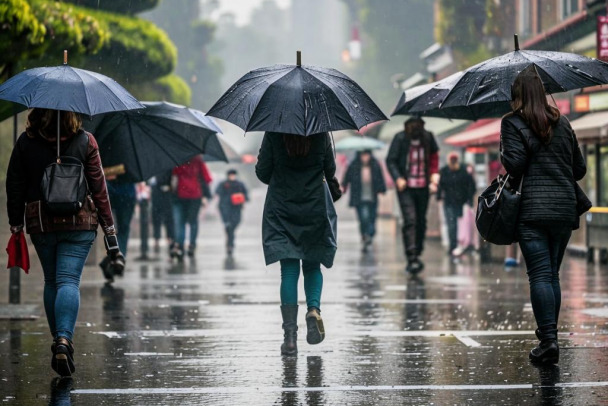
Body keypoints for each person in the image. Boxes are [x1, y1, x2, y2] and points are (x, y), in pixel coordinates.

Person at [6, 108, 121, 376]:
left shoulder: (26, 141)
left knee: (52, 282)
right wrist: (110, 230)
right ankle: (64, 339)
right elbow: (99, 187)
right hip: (78, 223)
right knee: (69, 280)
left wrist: (16, 223)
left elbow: (14, 184)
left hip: (41, 222)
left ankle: (58, 338)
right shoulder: (86, 141)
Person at [501, 66, 586, 364]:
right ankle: (552, 337)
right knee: (552, 274)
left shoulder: (512, 123)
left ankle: (548, 340)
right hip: (564, 209)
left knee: (538, 274)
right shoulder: (563, 124)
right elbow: (580, 169)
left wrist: (506, 151)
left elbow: (515, 165)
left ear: (517, 95)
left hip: (533, 211)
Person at [256, 132, 337, 356]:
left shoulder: (273, 132)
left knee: (289, 272)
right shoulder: (321, 133)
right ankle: (313, 309)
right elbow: (329, 170)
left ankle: (290, 338)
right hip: (314, 205)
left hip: (282, 208)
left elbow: (262, 172)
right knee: (312, 265)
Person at [386, 117, 440, 274]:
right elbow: (391, 160)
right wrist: (398, 178)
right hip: (406, 187)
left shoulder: (428, 137)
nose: (415, 129)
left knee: (421, 220)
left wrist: (434, 174)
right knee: (410, 220)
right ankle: (412, 256)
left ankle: (417, 250)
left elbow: (434, 156)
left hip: (423, 186)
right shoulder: (400, 138)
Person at [342, 150, 386, 251]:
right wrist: (343, 186)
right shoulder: (354, 165)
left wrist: (382, 189)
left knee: (372, 217)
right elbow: (347, 177)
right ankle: (365, 235)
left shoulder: (375, 165)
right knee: (363, 217)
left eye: (367, 155)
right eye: (363, 155)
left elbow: (380, 178)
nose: (365, 157)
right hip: (359, 198)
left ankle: (369, 234)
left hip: (372, 197)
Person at [171, 155, 212, 260]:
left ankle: (180, 246)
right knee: (193, 221)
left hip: (180, 195)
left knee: (181, 222)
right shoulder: (198, 160)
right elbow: (207, 178)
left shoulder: (177, 159)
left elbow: (173, 177)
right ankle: (192, 245)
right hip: (195, 195)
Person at [437, 152, 476, 258]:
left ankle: (460, 245)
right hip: (449, 202)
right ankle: (453, 246)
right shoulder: (445, 171)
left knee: (459, 224)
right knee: (452, 224)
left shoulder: (463, 171)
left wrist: (469, 199)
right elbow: (441, 185)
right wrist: (439, 196)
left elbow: (471, 186)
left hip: (460, 202)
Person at [215, 169, 249, 256]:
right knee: (229, 226)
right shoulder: (223, 184)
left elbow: (246, 195)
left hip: (236, 208)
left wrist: (241, 199)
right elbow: (217, 193)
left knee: (233, 226)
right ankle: (230, 245)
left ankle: (230, 243)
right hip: (225, 208)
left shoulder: (239, 184)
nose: (232, 176)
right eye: (231, 175)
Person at [150, 170, 175, 254]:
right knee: (161, 218)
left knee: (165, 218)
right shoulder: (164, 165)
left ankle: (167, 238)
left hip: (163, 195)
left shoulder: (164, 166)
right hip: (160, 195)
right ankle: (162, 238)